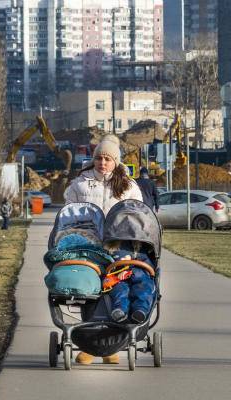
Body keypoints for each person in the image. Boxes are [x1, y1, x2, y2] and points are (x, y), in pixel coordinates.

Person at [63, 134, 143, 365]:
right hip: (88, 243)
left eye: (108, 159)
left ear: (115, 161)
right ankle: (90, 343)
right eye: (99, 158)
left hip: (118, 244)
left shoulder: (128, 186)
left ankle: (110, 345)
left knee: (116, 285)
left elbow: (138, 214)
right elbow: (69, 213)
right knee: (89, 288)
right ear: (94, 159)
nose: (103, 163)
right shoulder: (80, 183)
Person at [103, 241, 157, 324]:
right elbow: (107, 267)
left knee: (143, 290)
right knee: (120, 291)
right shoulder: (110, 247)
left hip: (140, 277)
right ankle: (120, 311)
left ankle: (140, 310)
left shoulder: (141, 249)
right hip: (118, 279)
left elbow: (148, 268)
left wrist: (131, 270)